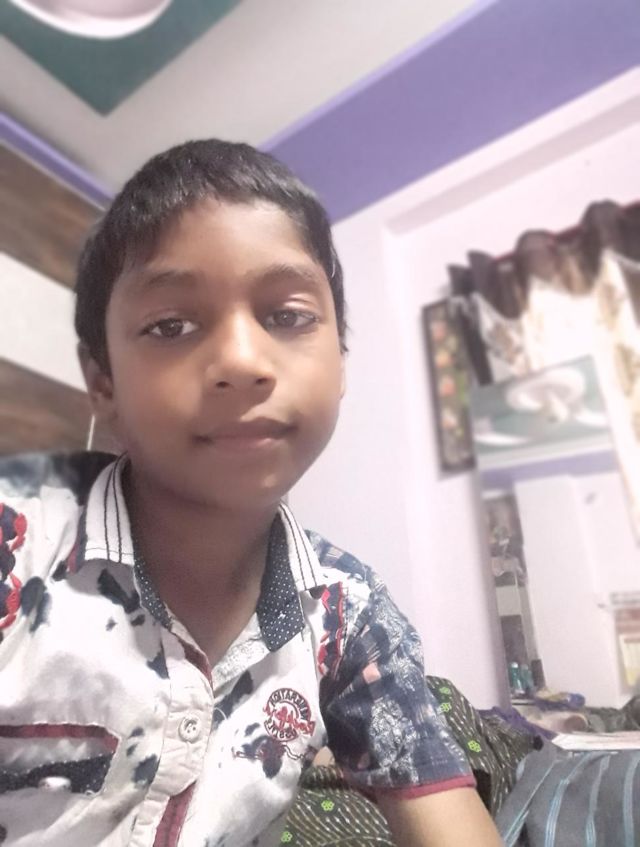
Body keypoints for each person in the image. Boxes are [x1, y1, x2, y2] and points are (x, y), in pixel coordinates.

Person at [0, 140, 502, 846]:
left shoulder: (348, 613)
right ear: (103, 382)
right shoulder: (17, 543)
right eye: (171, 326)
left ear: (340, 360)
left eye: (288, 315)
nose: (241, 361)